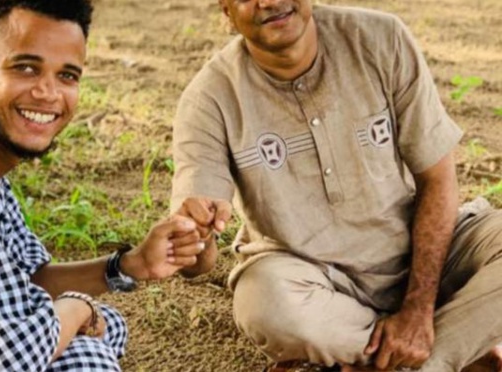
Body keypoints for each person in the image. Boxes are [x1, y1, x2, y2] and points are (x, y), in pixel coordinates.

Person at [170, 1, 502, 371]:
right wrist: (193, 237)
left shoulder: (380, 38)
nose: (269, 2)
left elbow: (438, 179)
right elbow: (197, 261)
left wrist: (418, 309)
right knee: (264, 303)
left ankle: (421, 356)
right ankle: (448, 351)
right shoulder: (208, 98)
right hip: (314, 282)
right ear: (226, 10)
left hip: (420, 253)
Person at [0, 1, 206, 371]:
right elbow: (6, 360)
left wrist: (131, 264)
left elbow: (21, 279)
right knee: (83, 358)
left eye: (67, 76)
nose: (48, 93)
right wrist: (78, 309)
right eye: (26, 68)